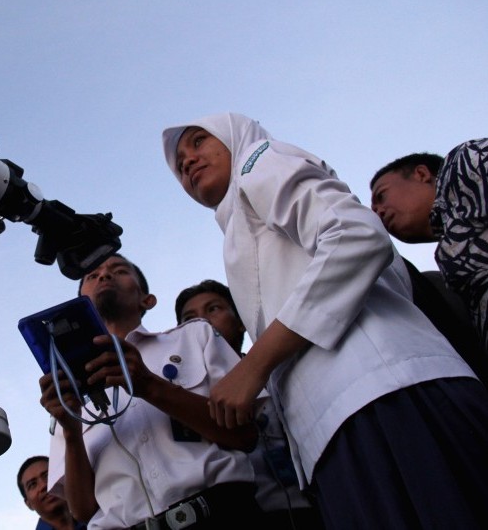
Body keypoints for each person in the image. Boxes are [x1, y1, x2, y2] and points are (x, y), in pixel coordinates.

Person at [162, 113, 488, 529]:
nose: (187, 161)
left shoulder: (257, 161)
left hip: (386, 396)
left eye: (198, 142)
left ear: (234, 136)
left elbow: (355, 234)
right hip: (339, 431)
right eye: (179, 163)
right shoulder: (241, 229)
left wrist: (254, 365)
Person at [39, 254, 261, 529]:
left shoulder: (194, 338)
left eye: (118, 270)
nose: (104, 276)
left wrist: (149, 386)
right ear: (80, 305)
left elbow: (244, 434)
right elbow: (83, 509)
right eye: (92, 276)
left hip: (221, 514)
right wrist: (71, 430)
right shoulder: (69, 395)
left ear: (147, 299)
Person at [176, 280, 324, 530]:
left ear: (241, 320)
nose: (201, 323)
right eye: (189, 319)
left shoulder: (278, 372)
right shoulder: (182, 398)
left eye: (213, 309)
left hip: (311, 508)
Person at [370, 142, 488, 356]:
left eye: (381, 196)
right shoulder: (446, 264)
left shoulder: (464, 164)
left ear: (421, 174)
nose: (378, 213)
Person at [17, 455, 86, 530]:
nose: (44, 485)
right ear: (28, 504)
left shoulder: (96, 518)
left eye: (47, 476)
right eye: (33, 484)